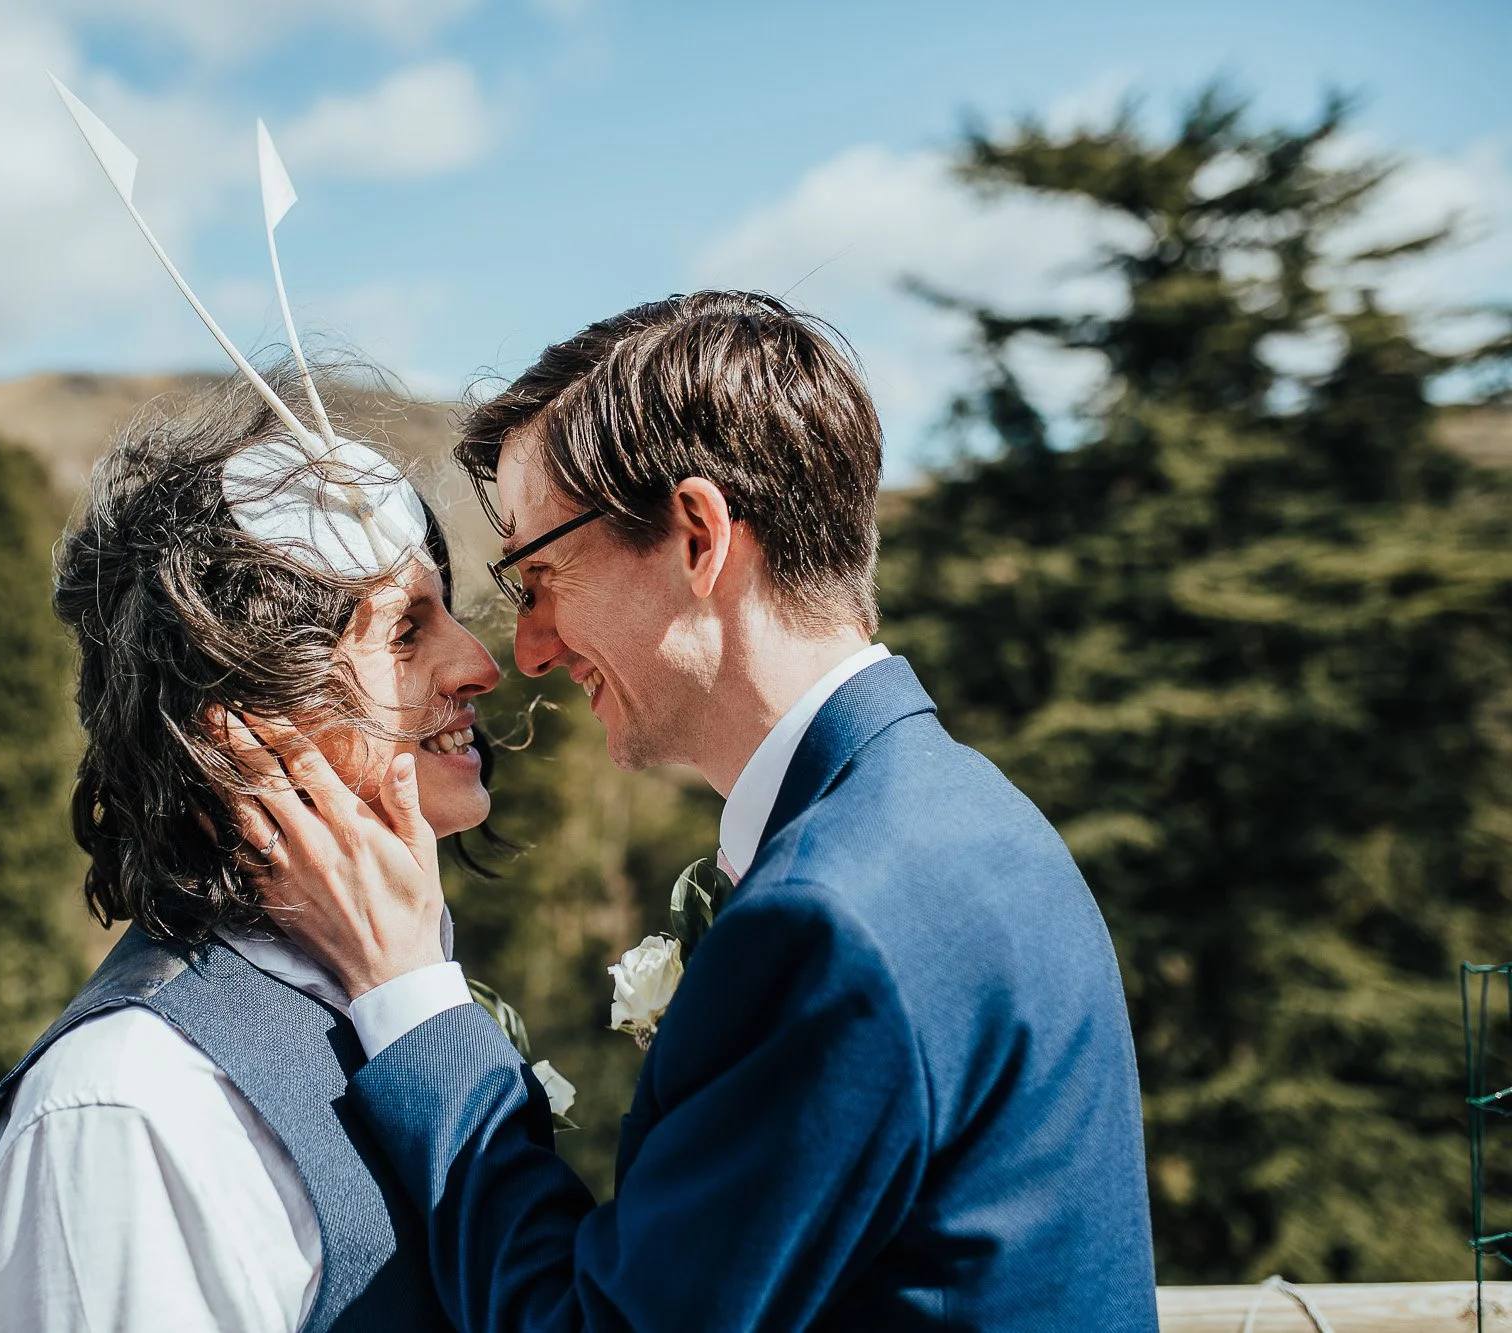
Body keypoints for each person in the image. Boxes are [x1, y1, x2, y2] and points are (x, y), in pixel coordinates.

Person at [231, 291, 1161, 1330]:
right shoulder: (966, 819)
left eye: (539, 575)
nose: (526, 649)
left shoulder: (829, 922)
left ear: (695, 536)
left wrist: (406, 991)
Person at [0, 371, 503, 1333]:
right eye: (407, 632)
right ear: (256, 722)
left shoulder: (409, 993)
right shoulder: (126, 1108)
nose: (480, 665)